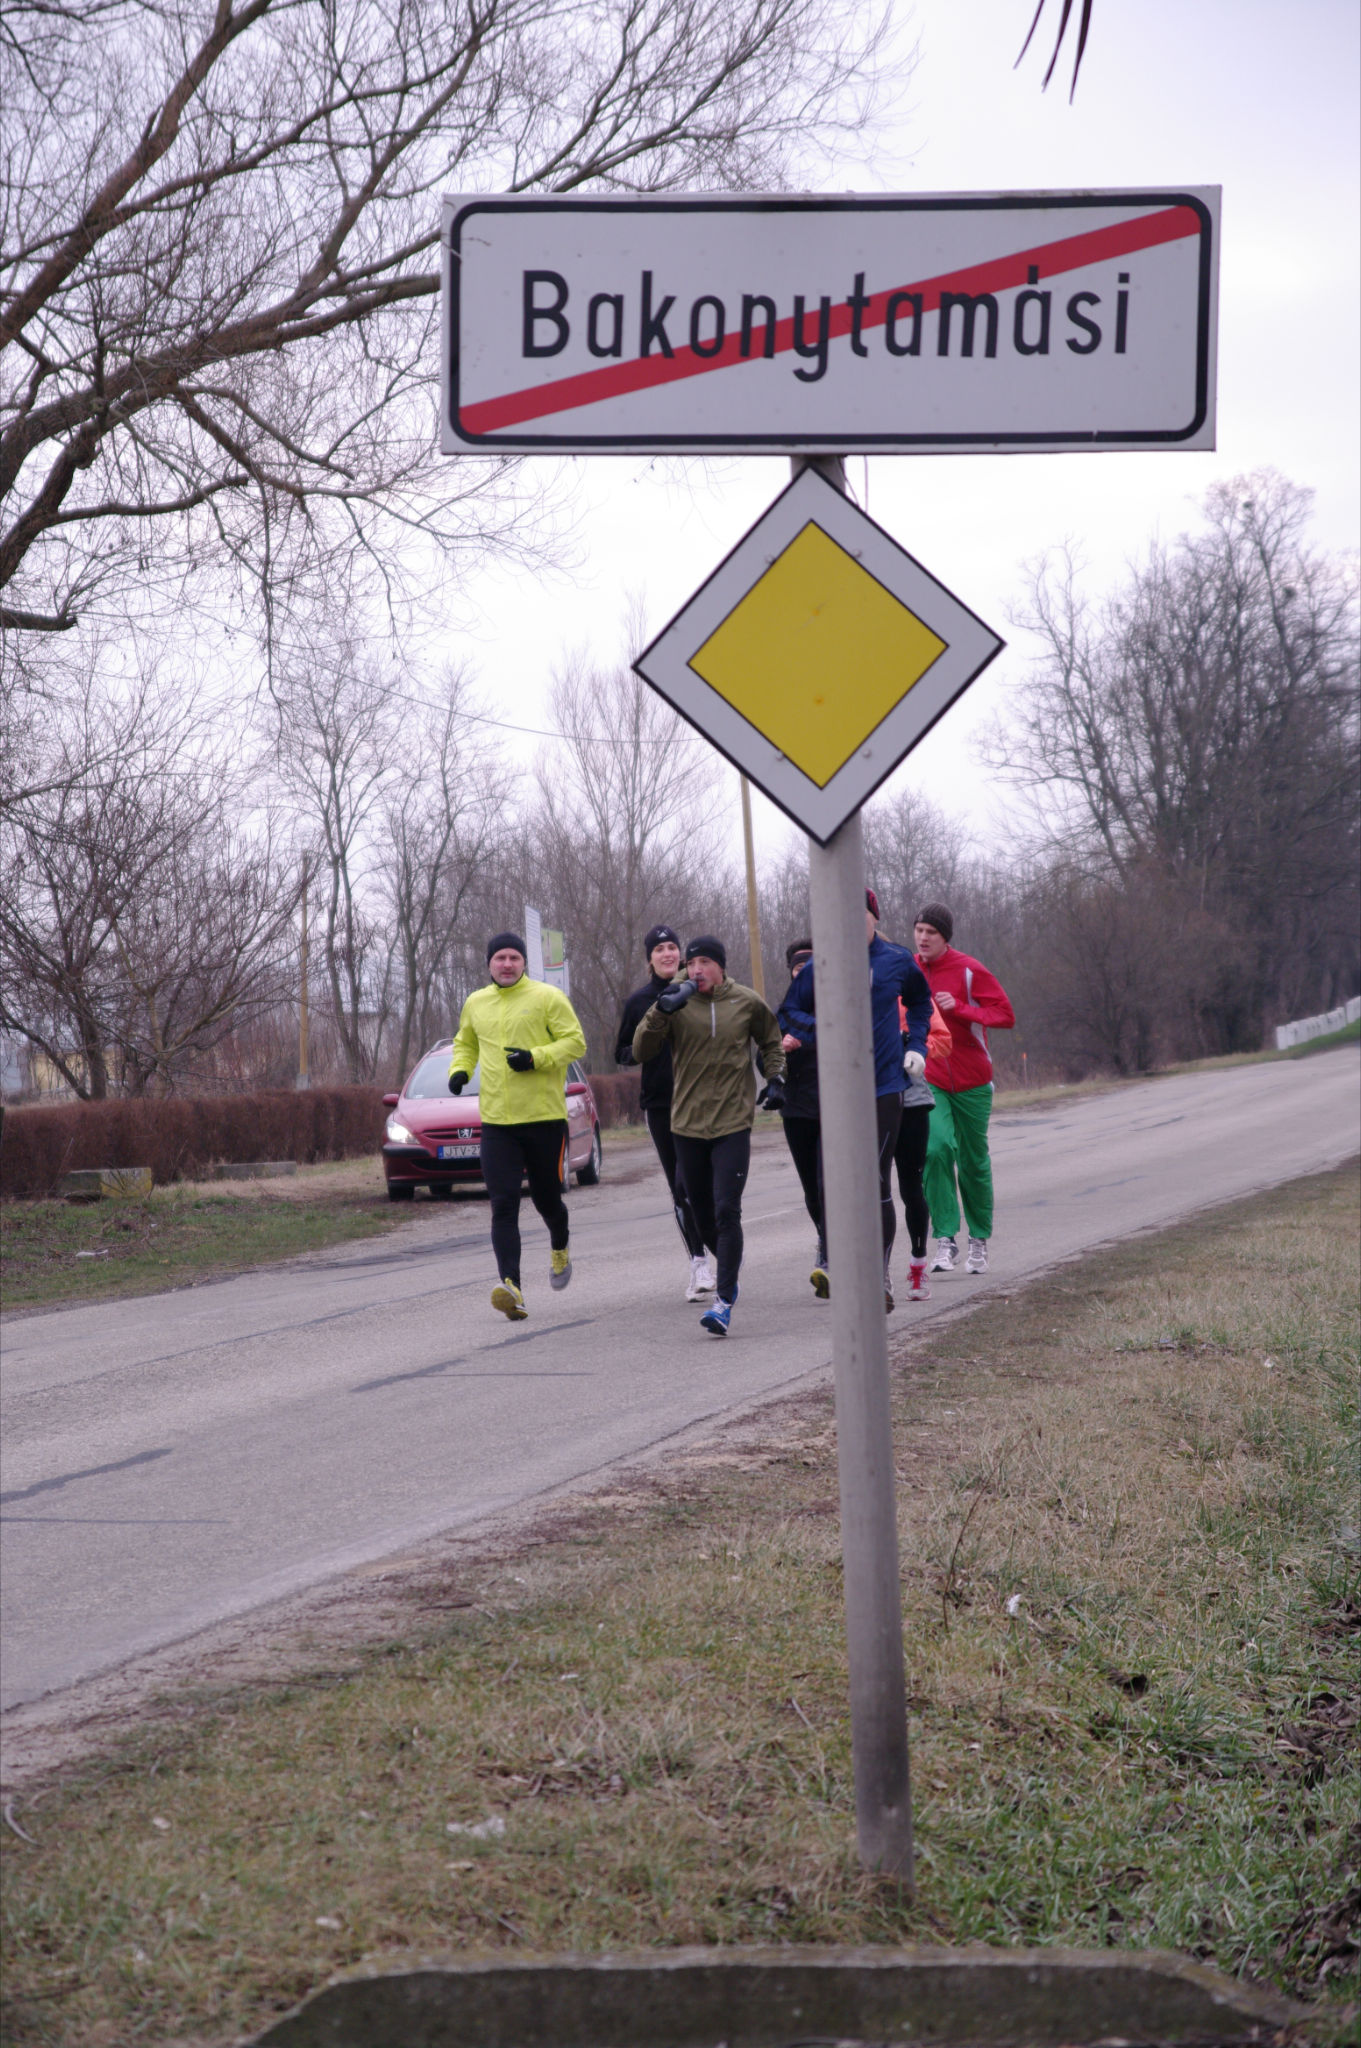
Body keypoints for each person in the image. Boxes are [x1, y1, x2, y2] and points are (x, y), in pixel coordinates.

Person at [780, 890, 933, 1311]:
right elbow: (788, 1011)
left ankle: (879, 1277)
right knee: (835, 1182)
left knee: (875, 1179)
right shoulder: (821, 964)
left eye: (860, 915)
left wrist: (916, 1045)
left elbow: (921, 1002)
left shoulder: (897, 960)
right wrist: (825, 1027)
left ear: (874, 919)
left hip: (884, 1088)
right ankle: (838, 1261)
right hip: (837, 1091)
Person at [632, 935, 785, 1337]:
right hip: (686, 1124)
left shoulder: (746, 1001)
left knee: (726, 1210)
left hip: (733, 1122)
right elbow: (640, 1050)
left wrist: (776, 1078)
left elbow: (771, 1041)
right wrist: (661, 1011)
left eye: (704, 962)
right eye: (691, 962)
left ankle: (724, 1300)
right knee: (700, 1214)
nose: (695, 969)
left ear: (720, 966)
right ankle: (729, 1260)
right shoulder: (675, 1001)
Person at [448, 931, 587, 1321]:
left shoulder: (547, 998)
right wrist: (460, 1070)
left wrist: (535, 1057)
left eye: (513, 958)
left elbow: (575, 1042)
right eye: (500, 958)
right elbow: (466, 1043)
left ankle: (559, 1245)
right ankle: (512, 1287)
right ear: (489, 964)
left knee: (546, 1200)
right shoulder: (476, 1002)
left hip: (544, 1119)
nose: (506, 964)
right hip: (497, 1123)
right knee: (503, 1203)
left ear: (524, 963)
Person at [912, 902, 1015, 1275]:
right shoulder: (908, 970)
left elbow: (1004, 1015)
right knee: (935, 1149)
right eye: (919, 930)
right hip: (931, 1077)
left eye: (931, 932)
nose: (923, 938)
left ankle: (979, 1240)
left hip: (973, 1079)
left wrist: (959, 1008)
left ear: (945, 938)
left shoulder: (970, 970)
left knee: (972, 1160)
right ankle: (945, 1238)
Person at [614, 924, 716, 1301]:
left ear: (681, 954)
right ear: (650, 959)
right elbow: (622, 1052)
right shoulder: (639, 1002)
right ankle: (699, 1264)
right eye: (659, 949)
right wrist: (645, 1047)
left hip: (702, 1100)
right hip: (661, 1103)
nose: (667, 954)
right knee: (681, 1187)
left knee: (701, 1184)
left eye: (672, 947)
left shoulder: (700, 990)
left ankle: (721, 1251)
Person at [773, 938, 826, 1297]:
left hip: (836, 1108)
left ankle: (833, 1255)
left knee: (828, 1183)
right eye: (797, 967)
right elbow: (765, 1058)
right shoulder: (783, 1013)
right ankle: (825, 1239)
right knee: (811, 1188)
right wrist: (781, 1049)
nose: (803, 972)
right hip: (797, 1110)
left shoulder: (838, 1005)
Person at [893, 990, 952, 1301]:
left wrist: (913, 1046)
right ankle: (876, 1272)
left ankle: (918, 1266)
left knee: (911, 1187)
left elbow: (943, 1041)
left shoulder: (910, 996)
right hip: (867, 1100)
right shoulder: (848, 994)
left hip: (911, 1099)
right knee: (872, 1191)